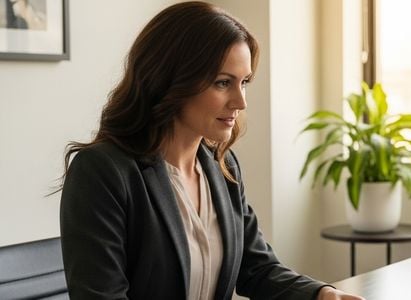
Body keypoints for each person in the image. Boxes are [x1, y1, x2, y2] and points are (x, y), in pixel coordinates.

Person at [58, 2, 363, 299]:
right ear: (171, 79)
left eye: (244, 82)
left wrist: (321, 294)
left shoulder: (221, 165)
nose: (240, 101)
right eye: (222, 83)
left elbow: (255, 268)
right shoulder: (101, 172)